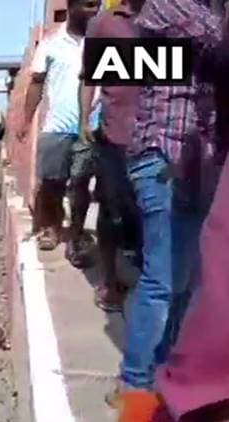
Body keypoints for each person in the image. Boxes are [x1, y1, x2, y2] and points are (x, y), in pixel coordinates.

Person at [107, 0, 224, 419]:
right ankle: (135, 385)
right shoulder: (168, 4)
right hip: (162, 155)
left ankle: (161, 378)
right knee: (162, 279)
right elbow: (218, 41)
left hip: (195, 161)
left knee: (184, 279)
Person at [19, 0, 99, 266]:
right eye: (89, 5)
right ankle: (51, 227)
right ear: (72, 7)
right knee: (52, 182)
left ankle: (76, 233)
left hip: (91, 126)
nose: (94, 11)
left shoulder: (103, 41)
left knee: (80, 183)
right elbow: (36, 83)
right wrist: (26, 120)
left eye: (97, 5)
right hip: (57, 126)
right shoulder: (51, 44)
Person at [79, 0, 143, 312]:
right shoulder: (104, 23)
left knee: (149, 212)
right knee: (110, 210)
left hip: (158, 136)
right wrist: (83, 119)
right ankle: (109, 280)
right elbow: (90, 76)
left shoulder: (169, 16)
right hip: (114, 134)